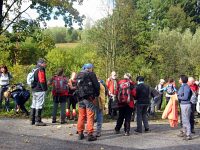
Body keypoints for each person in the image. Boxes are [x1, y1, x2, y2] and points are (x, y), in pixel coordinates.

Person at [76, 63, 100, 141]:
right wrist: (97, 94)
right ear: (90, 68)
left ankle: (80, 133)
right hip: (89, 97)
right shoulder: (91, 74)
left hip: (80, 97)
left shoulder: (79, 74)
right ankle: (90, 134)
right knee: (90, 115)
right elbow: (97, 86)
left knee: (81, 115)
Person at [30, 58, 48, 126]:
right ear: (41, 63)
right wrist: (44, 89)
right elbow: (42, 80)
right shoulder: (41, 69)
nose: (45, 64)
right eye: (44, 63)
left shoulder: (34, 69)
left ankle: (32, 120)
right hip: (40, 89)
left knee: (34, 104)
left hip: (34, 89)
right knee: (39, 104)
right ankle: (38, 121)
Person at [177, 75, 192, 140]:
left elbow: (185, 97)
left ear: (182, 80)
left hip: (185, 105)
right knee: (184, 119)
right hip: (183, 104)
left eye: (179, 79)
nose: (178, 80)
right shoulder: (183, 86)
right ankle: (184, 132)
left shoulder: (186, 87)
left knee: (186, 120)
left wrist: (177, 97)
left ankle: (188, 134)